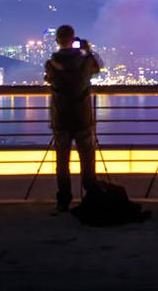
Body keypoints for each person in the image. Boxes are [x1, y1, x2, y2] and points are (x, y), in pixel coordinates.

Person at [44, 25, 101, 212]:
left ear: (57, 41)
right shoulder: (84, 62)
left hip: (60, 119)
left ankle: (63, 201)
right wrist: (88, 50)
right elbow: (99, 66)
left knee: (62, 163)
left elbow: (49, 79)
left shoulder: (51, 64)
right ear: (73, 39)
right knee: (87, 161)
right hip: (83, 118)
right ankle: (91, 195)